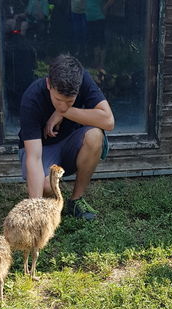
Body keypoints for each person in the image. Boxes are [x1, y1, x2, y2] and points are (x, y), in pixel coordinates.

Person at [18, 54, 115, 220]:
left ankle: (76, 200)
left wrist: (65, 112)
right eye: (58, 100)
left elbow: (108, 121)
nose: (63, 105)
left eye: (69, 101)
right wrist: (35, 208)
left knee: (95, 135)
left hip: (71, 145)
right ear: (49, 84)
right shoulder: (32, 98)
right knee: (46, 186)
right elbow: (33, 157)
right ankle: (45, 204)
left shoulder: (81, 79)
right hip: (41, 149)